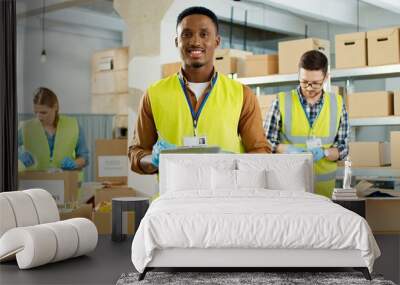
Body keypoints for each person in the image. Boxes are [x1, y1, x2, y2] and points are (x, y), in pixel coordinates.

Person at [129, 6, 270, 174]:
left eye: (204, 34)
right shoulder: (153, 94)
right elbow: (136, 153)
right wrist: (154, 159)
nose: (195, 41)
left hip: (226, 196)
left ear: (217, 41)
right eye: (187, 34)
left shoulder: (242, 94)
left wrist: (235, 165)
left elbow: (260, 151)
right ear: (176, 41)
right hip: (174, 197)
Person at [264, 50, 350, 197]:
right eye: (304, 82)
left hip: (324, 191)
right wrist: (288, 151)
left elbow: (344, 148)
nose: (309, 88)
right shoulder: (282, 101)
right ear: (299, 75)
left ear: (326, 78)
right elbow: (264, 143)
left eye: (316, 83)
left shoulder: (337, 103)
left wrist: (325, 152)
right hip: (289, 188)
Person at [18, 87, 89, 173]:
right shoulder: (26, 128)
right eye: (36, 112)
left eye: (43, 112)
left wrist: (75, 163)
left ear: (55, 107)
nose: (39, 117)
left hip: (65, 181)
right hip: (35, 182)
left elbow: (84, 156)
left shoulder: (73, 125)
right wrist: (19, 159)